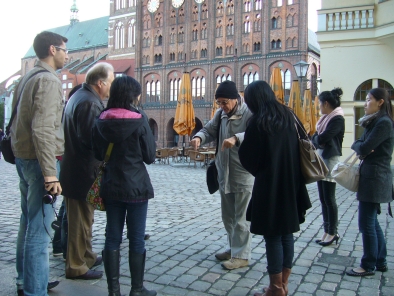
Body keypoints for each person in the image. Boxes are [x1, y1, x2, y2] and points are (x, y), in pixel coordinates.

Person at [238, 80, 311, 296]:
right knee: (287, 233)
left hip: (269, 185)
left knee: (273, 236)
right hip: (291, 181)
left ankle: (275, 288)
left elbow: (249, 157)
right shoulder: (289, 115)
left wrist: (261, 169)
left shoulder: (258, 121)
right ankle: (284, 284)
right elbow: (304, 140)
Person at [11, 31, 68, 296]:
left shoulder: (28, 77)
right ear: (52, 50)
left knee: (28, 221)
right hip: (40, 162)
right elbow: (44, 129)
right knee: (40, 229)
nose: (67, 55)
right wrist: (50, 174)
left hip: (25, 158)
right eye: (65, 50)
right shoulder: (48, 80)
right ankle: (35, 290)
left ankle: (26, 280)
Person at [92, 76, 156, 296]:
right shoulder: (139, 119)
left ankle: (113, 291)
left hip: (112, 185)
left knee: (112, 237)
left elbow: (98, 153)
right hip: (137, 187)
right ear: (132, 96)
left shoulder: (101, 119)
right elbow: (149, 156)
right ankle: (137, 290)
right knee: (136, 238)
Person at [190, 80, 254, 270]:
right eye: (219, 103)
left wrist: (237, 138)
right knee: (228, 216)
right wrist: (198, 137)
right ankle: (232, 247)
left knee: (241, 217)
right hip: (223, 172)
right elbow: (208, 129)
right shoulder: (220, 115)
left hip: (242, 173)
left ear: (235, 99)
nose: (222, 106)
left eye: (225, 102)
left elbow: (256, 134)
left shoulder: (249, 114)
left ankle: (241, 255)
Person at [60, 63, 114, 280]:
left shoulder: (80, 96)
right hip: (82, 172)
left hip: (76, 171)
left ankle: (86, 255)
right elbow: (91, 139)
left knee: (84, 219)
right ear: (100, 83)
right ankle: (76, 265)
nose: (111, 87)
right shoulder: (90, 103)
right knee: (79, 222)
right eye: (109, 82)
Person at [346, 88, 394, 277]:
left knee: (366, 222)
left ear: (380, 102)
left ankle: (368, 265)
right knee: (372, 221)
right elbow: (359, 144)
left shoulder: (383, 123)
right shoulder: (374, 122)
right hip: (372, 175)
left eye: (368, 100)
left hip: (375, 177)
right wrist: (361, 147)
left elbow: (364, 146)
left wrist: (362, 147)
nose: (365, 103)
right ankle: (380, 261)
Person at [311, 88, 345, 247]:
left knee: (329, 198)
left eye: (320, 104)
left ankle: (333, 232)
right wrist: (317, 139)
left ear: (326, 103)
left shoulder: (337, 119)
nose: (319, 107)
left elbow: (322, 137)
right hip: (321, 158)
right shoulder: (326, 119)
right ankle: (327, 230)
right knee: (323, 198)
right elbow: (316, 137)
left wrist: (317, 139)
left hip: (330, 159)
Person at [52, 84, 82, 260]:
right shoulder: (70, 110)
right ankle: (63, 247)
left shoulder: (65, 109)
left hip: (62, 159)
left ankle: (58, 245)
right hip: (63, 160)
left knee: (65, 205)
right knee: (66, 206)